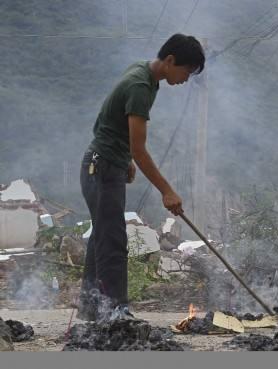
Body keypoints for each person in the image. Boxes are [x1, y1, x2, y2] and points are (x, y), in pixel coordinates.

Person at [77, 34, 205, 321]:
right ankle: (116, 313)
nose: (186, 79)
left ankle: (91, 309)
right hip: (102, 169)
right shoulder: (140, 86)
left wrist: (126, 159)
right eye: (186, 71)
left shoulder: (144, 74)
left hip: (105, 164)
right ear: (171, 61)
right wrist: (167, 191)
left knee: (102, 234)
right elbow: (139, 147)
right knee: (112, 240)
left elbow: (112, 122)